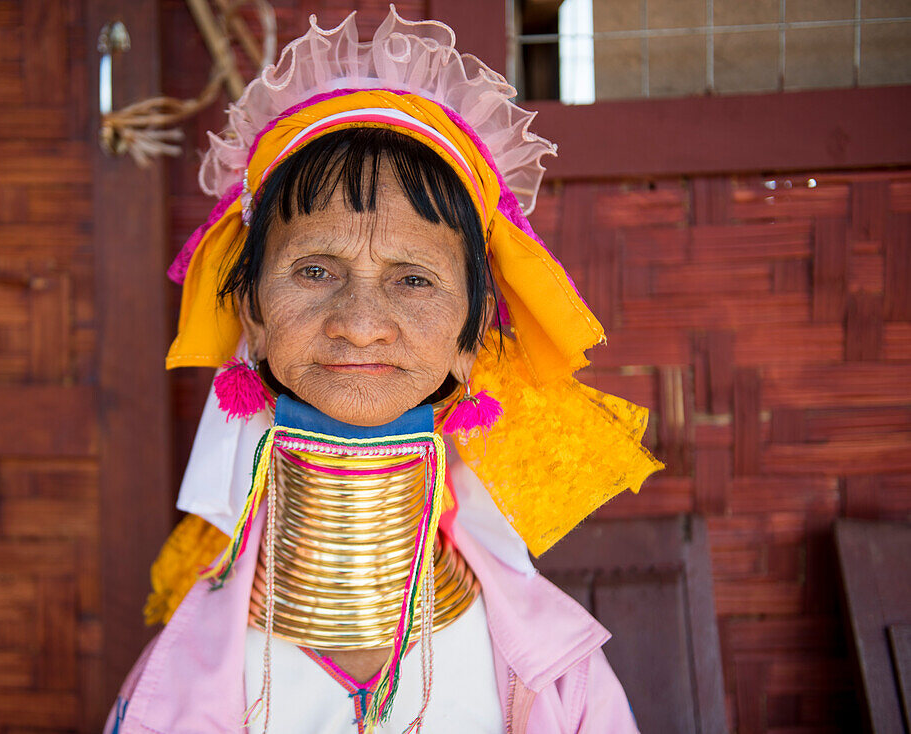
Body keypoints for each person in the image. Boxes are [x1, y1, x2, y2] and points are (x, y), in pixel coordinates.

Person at [108, 7, 663, 733]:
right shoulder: (172, 689)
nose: (360, 322)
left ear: (473, 334)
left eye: (414, 279)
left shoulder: (557, 681)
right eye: (314, 269)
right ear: (250, 312)